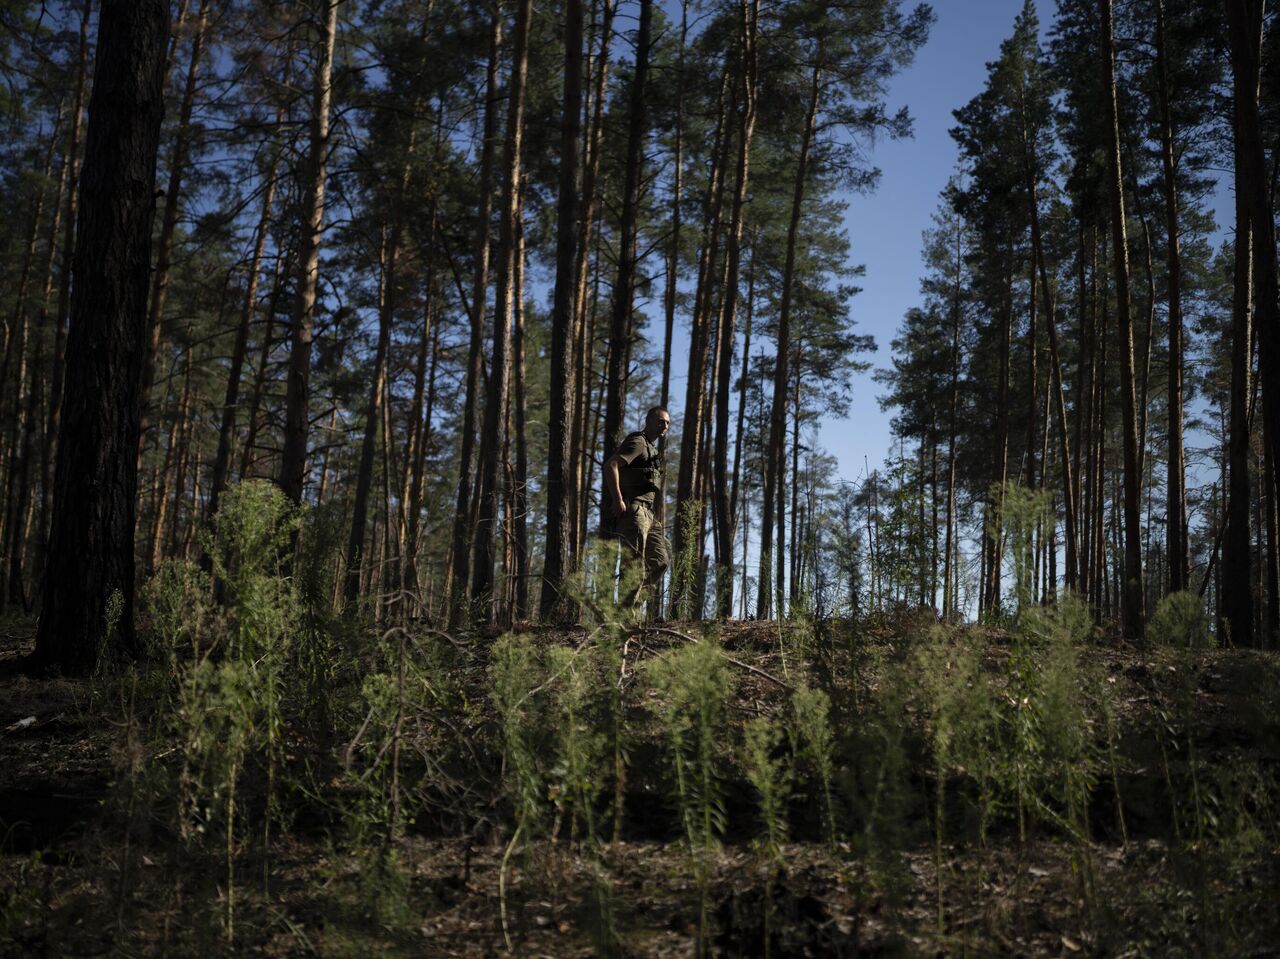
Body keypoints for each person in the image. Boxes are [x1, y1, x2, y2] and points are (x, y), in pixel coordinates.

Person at [603, 406, 671, 610]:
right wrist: (618, 499)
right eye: (660, 421)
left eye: (667, 423)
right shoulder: (638, 442)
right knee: (633, 565)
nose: (665, 426)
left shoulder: (652, 448)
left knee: (660, 560)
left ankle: (628, 609)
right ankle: (624, 619)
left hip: (648, 514)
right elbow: (611, 465)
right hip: (634, 511)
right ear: (648, 421)